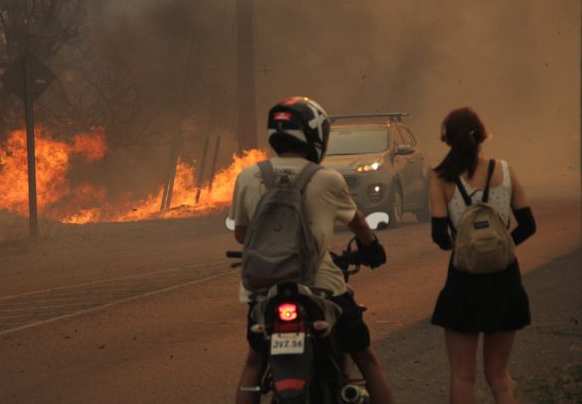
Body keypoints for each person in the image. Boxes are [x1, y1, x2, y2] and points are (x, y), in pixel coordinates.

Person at [229, 96, 394, 404]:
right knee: (366, 358)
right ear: (316, 135)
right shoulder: (327, 178)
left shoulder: (248, 176)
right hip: (322, 286)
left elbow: (242, 234)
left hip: (267, 290)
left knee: (254, 362)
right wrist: (371, 249)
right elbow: (359, 224)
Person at [428, 107, 536, 404]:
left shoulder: (440, 177)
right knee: (499, 376)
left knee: (463, 376)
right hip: (506, 280)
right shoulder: (504, 169)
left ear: (447, 139)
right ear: (482, 136)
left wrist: (465, 247)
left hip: (464, 281)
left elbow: (439, 235)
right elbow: (528, 225)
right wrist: (501, 247)